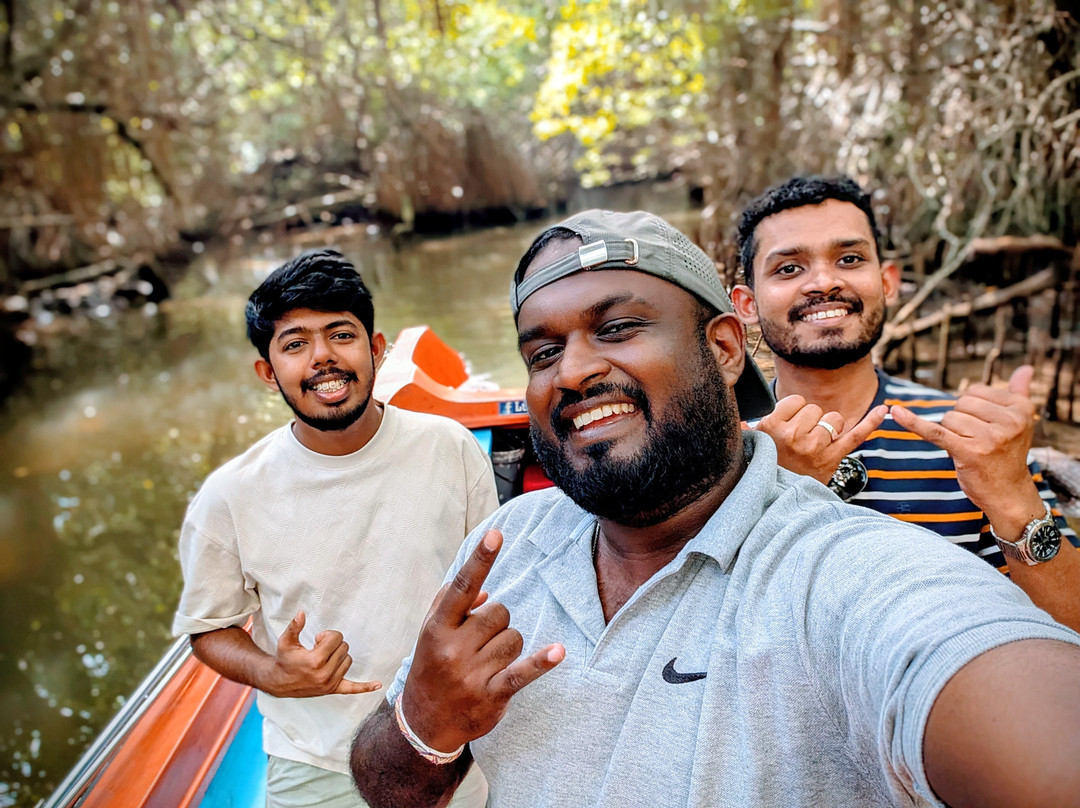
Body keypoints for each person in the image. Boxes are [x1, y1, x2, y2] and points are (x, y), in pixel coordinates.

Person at [349, 210, 1080, 808]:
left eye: (617, 328)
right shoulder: (501, 549)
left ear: (726, 348)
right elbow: (392, 791)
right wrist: (424, 722)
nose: (572, 371)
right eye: (542, 352)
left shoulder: (843, 572)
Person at [172, 249, 496, 808]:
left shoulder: (451, 448)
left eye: (340, 335)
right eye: (295, 344)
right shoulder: (229, 496)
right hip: (314, 761)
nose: (322, 358)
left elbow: (495, 584)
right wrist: (276, 672)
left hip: (447, 740)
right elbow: (209, 630)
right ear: (268, 373)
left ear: (376, 348)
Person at [728, 175, 1080, 631]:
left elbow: (1068, 630)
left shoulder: (970, 437)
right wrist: (771, 490)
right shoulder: (718, 445)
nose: (825, 282)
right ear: (747, 303)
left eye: (850, 259)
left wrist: (1012, 498)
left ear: (887, 281)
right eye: (789, 269)